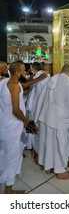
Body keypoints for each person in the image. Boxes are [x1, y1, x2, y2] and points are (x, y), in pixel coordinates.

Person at [34, 65, 69, 179]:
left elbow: (42, 97)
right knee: (59, 144)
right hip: (58, 119)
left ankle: (48, 167)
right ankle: (60, 170)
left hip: (46, 116)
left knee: (47, 142)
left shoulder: (53, 78)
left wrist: (37, 116)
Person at [0, 61, 29, 194]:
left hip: (6, 125)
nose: (25, 73)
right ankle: (8, 190)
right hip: (12, 128)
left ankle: (6, 184)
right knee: (12, 158)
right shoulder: (14, 86)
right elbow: (16, 110)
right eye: (23, 70)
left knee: (6, 155)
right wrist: (25, 120)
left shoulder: (3, 82)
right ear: (17, 73)